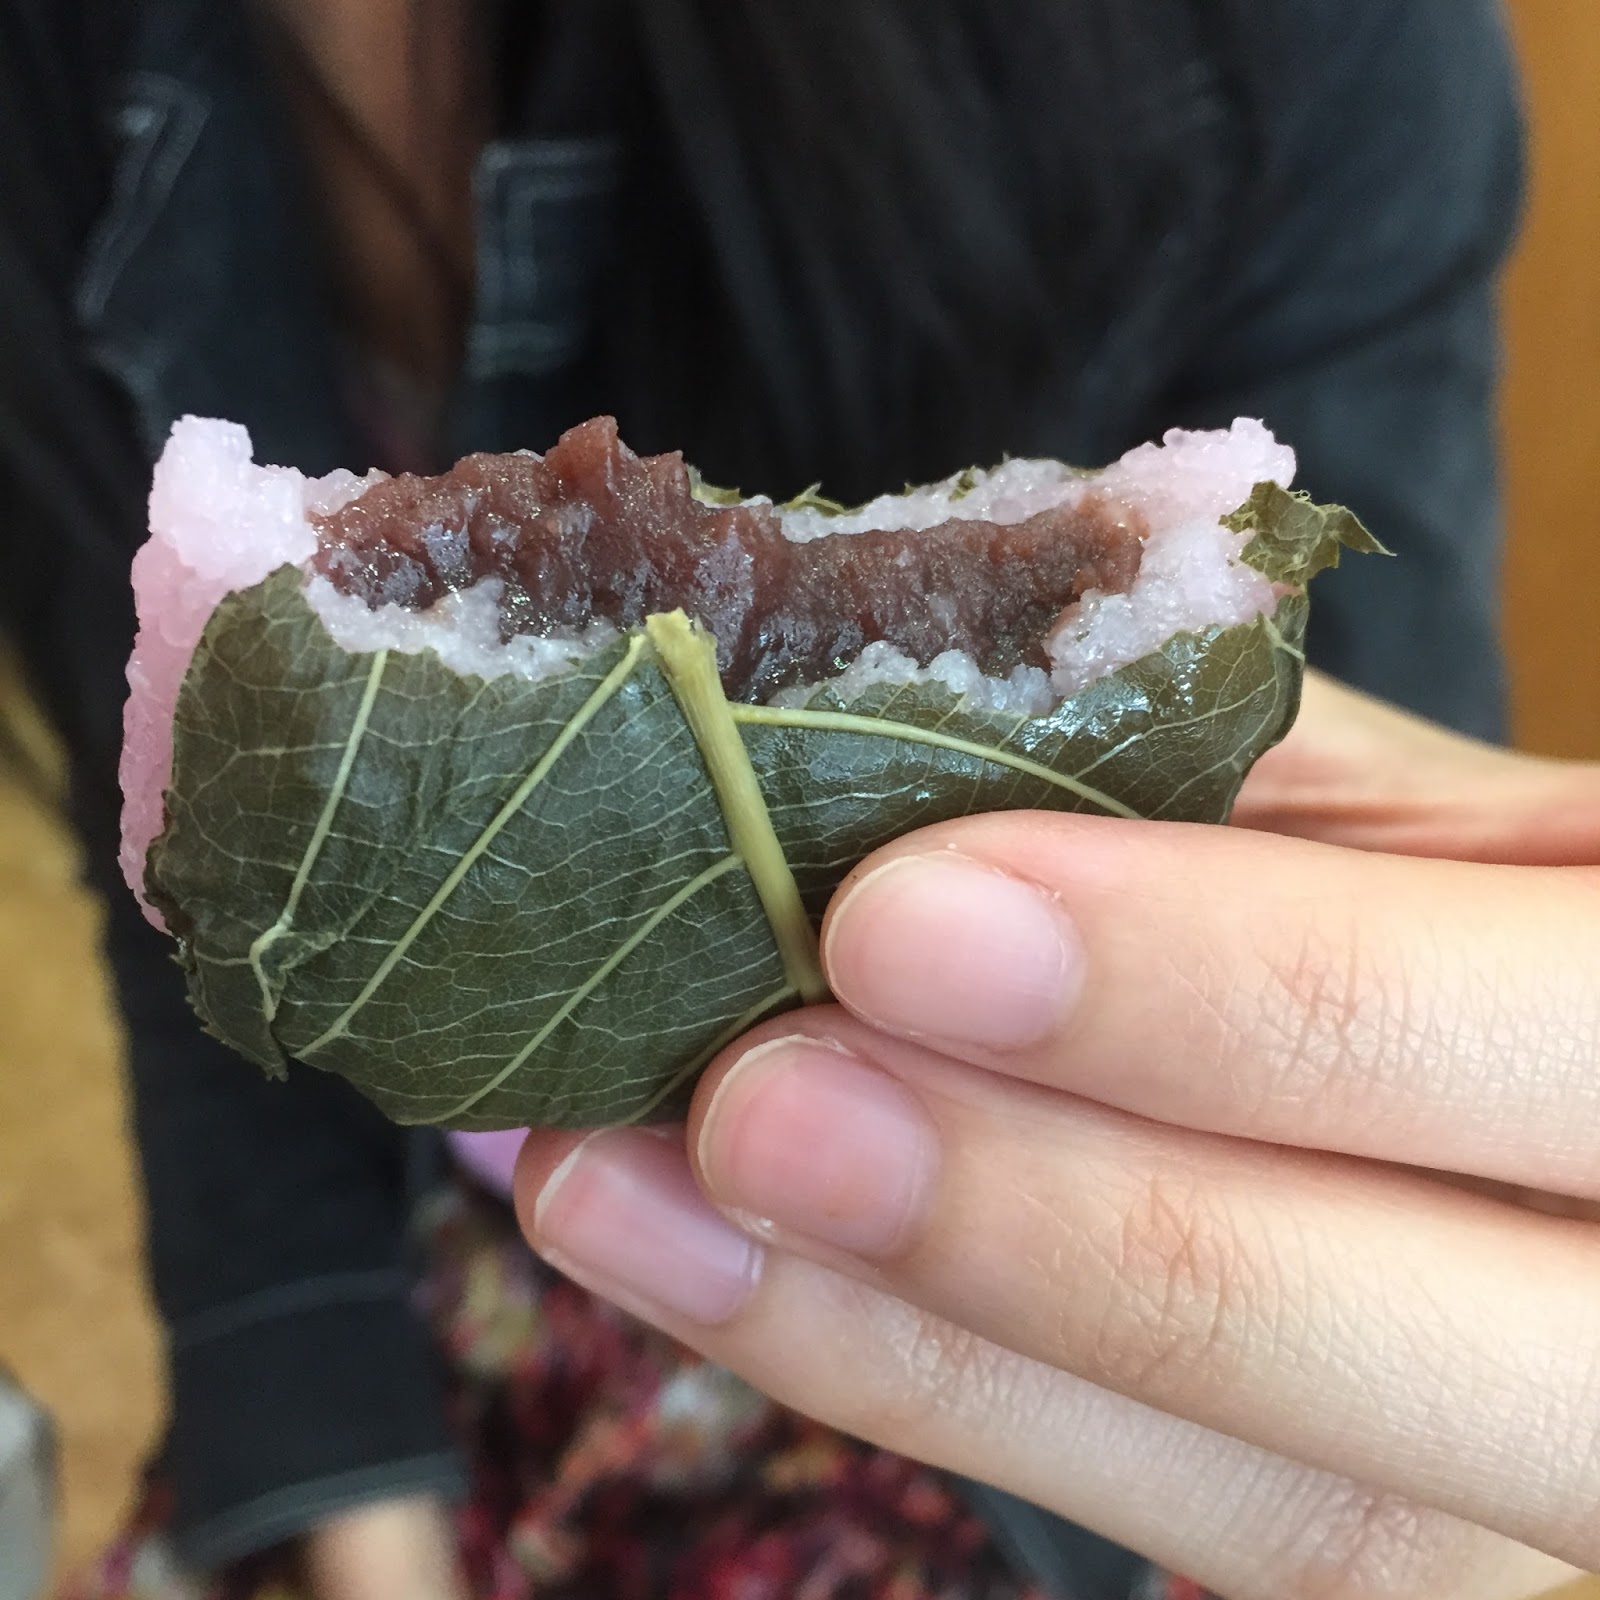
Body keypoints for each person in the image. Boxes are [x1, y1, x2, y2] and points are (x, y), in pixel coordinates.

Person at [0, 0, 1539, 1595]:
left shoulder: (1288, 50)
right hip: (438, 1239)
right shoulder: (50, 85)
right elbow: (202, 909)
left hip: (1012, 1341)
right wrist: (362, 1519)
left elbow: (1321, 945)